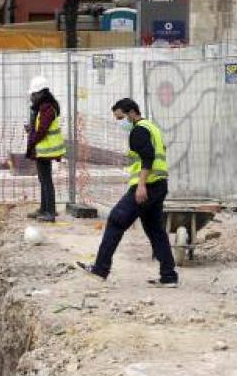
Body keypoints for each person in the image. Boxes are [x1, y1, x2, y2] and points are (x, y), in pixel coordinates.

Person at [77, 98, 179, 286]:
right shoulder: (151, 127)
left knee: (116, 220)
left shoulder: (139, 130)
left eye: (120, 117)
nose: (119, 122)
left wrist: (140, 185)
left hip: (146, 187)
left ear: (131, 112)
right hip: (159, 185)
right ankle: (169, 276)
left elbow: (147, 157)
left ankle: (100, 269)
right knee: (156, 230)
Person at [25, 75, 65, 222]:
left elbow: (42, 130)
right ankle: (44, 209)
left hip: (45, 150)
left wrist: (32, 141)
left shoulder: (48, 108)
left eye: (34, 94)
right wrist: (31, 128)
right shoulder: (43, 107)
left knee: (46, 180)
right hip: (41, 149)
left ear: (42, 93)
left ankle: (51, 212)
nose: (32, 97)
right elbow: (39, 127)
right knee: (43, 179)